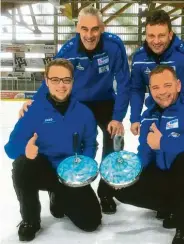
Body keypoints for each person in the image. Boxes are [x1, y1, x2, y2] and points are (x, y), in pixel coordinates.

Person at [18, 6, 130, 214]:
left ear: (102, 28)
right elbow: (52, 77)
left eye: (95, 29)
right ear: (77, 28)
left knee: (114, 141)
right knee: (73, 142)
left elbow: (124, 83)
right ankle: (65, 184)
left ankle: (106, 192)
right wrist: (34, 102)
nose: (89, 35)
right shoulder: (68, 50)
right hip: (77, 102)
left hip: (105, 100)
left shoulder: (114, 46)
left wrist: (117, 118)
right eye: (84, 29)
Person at [114, 65, 184, 244]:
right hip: (168, 174)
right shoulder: (148, 115)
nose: (162, 92)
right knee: (122, 187)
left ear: (178, 85)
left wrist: (163, 143)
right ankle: (175, 206)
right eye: (155, 88)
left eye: (167, 85)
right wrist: (128, 174)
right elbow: (145, 153)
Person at [4, 59, 102, 242]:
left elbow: (90, 144)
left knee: (91, 223)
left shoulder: (84, 113)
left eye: (66, 80)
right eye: (55, 80)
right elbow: (10, 148)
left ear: (73, 81)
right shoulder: (33, 111)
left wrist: (82, 168)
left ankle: (58, 197)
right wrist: (25, 150)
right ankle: (30, 220)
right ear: (47, 81)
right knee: (21, 165)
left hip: (70, 173)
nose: (61, 85)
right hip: (43, 169)